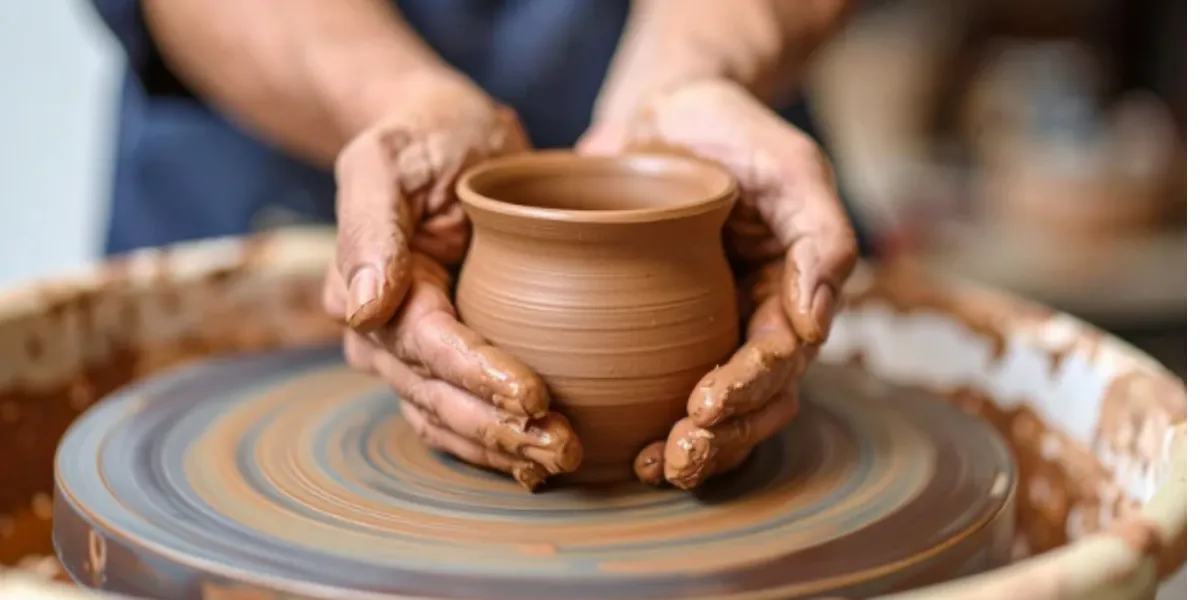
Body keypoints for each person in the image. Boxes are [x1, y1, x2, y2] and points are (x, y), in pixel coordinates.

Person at [87, 0, 862, 490]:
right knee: (175, 479)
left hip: (715, 151)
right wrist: (394, 102)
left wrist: (697, 69)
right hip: (278, 152)